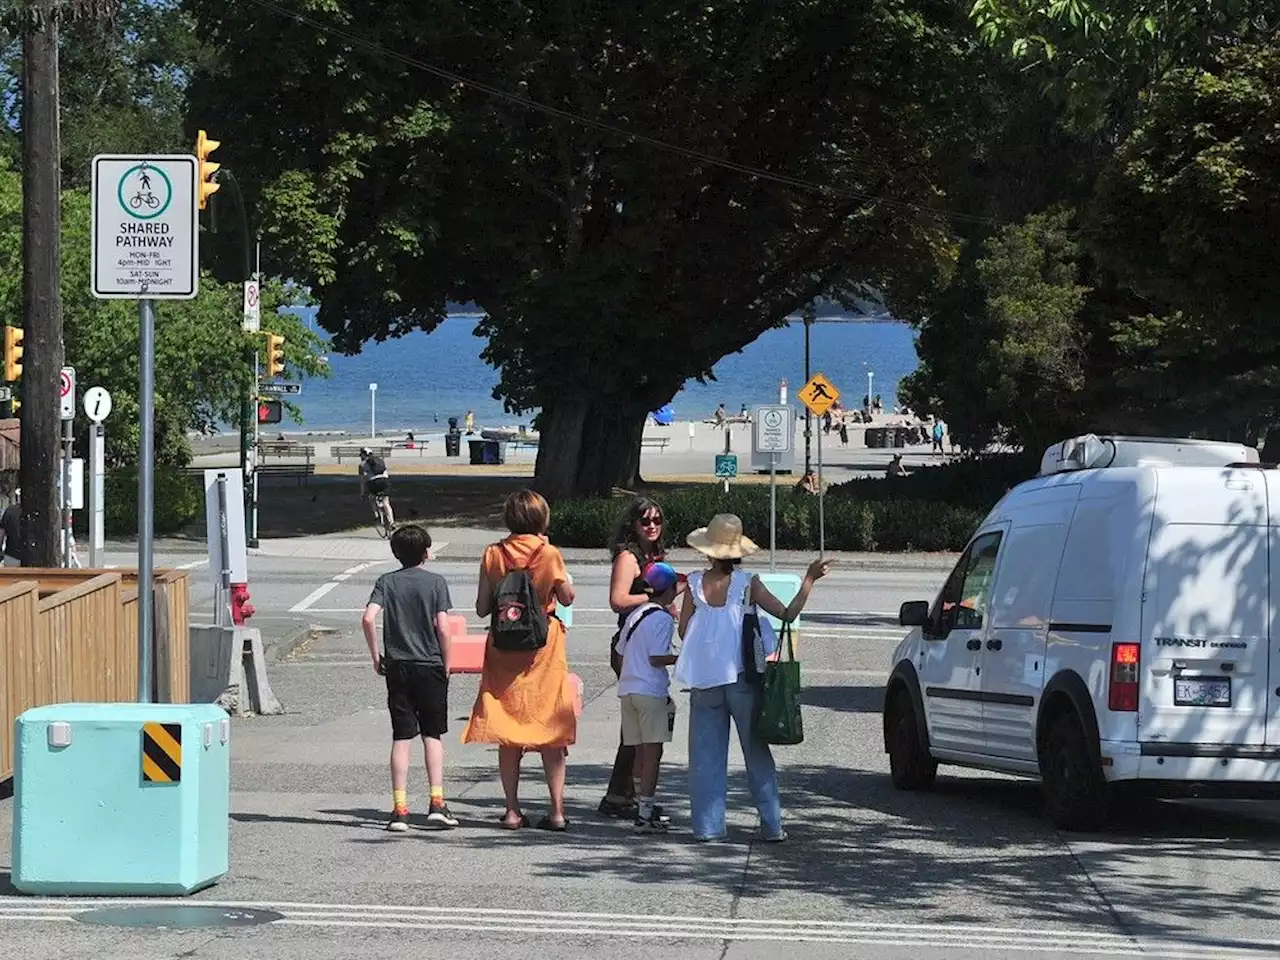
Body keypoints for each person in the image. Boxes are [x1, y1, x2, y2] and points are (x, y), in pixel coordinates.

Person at [677, 514, 830, 842]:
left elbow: (683, 629)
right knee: (756, 752)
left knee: (705, 758)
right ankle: (772, 824)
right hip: (743, 678)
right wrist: (809, 579)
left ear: (708, 551)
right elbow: (787, 614)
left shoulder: (692, 584)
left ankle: (708, 827)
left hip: (704, 680)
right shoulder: (748, 584)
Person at [464, 489, 577, 832]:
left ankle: (512, 810)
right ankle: (556, 811)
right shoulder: (549, 553)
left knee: (508, 727)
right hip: (544, 648)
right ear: (541, 518)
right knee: (550, 727)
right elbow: (567, 597)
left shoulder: (493, 553)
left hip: (503, 649)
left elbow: (483, 607)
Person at [361, 524, 459, 833]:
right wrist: (448, 661)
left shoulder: (386, 582)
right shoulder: (436, 583)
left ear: (396, 553)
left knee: (402, 736)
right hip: (429, 663)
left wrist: (377, 655)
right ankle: (436, 802)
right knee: (432, 734)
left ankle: (400, 809)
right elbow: (443, 626)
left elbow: (368, 618)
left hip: (398, 665)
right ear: (427, 552)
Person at [599, 497, 675, 821]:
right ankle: (621, 794)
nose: (652, 526)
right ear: (634, 525)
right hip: (631, 645)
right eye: (646, 521)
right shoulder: (628, 558)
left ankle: (628, 794)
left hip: (641, 640)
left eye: (657, 520)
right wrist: (653, 597)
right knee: (640, 723)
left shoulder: (652, 555)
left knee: (638, 724)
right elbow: (617, 600)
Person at [614, 562, 680, 833]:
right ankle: (645, 813)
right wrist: (682, 657)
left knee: (639, 754)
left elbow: (620, 649)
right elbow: (656, 657)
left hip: (628, 690)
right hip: (651, 692)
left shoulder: (636, 613)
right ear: (672, 590)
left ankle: (642, 805)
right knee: (653, 755)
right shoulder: (662, 618)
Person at [359, 447, 394, 527]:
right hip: (385, 481)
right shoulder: (380, 461)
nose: (360, 457)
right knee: (386, 502)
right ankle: (392, 522)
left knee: (371, 498)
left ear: (364, 455)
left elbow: (362, 481)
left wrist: (362, 493)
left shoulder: (362, 464)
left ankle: (377, 516)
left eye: (361, 455)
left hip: (373, 483)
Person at [1, 488, 20, 566]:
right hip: (34, 556)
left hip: (12, 556)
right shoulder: (39, 512)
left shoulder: (10, 511)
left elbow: (1, 533)